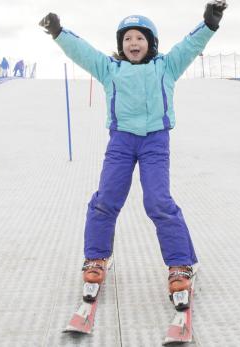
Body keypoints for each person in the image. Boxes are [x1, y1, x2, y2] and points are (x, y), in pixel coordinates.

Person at [39, 0, 227, 300]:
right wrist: (59, 32)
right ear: (120, 45)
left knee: (158, 201)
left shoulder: (167, 65)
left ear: (151, 43)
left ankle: (180, 263)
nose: (133, 43)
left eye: (140, 37)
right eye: (127, 38)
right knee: (106, 199)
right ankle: (97, 258)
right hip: (121, 142)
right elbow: (83, 52)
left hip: (155, 142)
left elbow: (190, 46)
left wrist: (209, 23)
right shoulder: (109, 69)